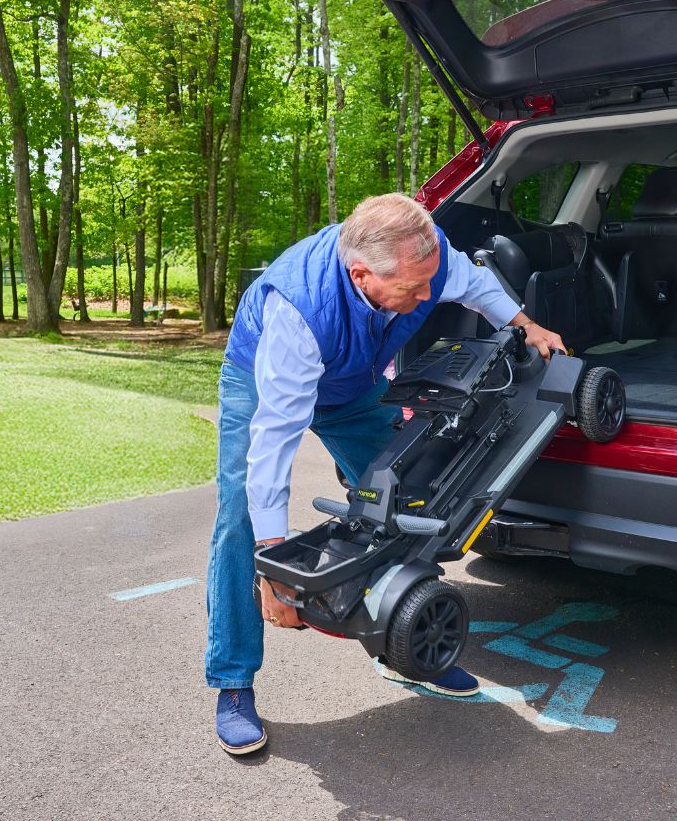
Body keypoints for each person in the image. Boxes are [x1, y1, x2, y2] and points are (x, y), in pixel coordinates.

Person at [206, 193, 566, 754]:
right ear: (361, 275)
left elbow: (472, 286)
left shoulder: (426, 258)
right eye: (413, 290)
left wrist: (526, 324)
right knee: (240, 520)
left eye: (430, 281)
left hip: (353, 382)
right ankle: (233, 682)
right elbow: (272, 448)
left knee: (407, 498)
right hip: (263, 381)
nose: (427, 297)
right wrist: (274, 567)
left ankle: (405, 643)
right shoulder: (297, 312)